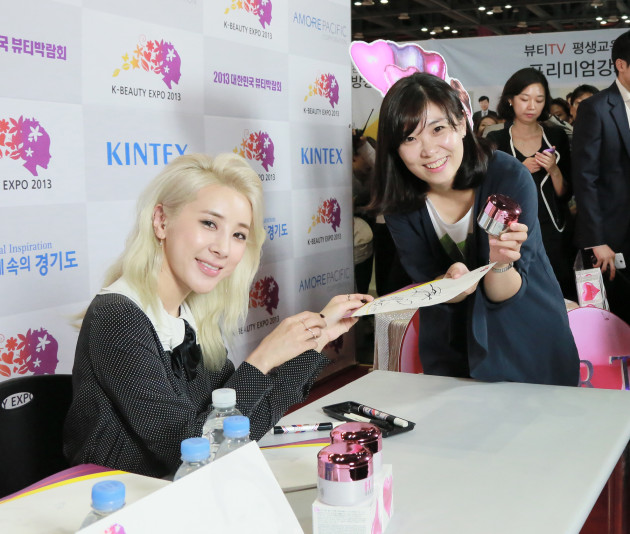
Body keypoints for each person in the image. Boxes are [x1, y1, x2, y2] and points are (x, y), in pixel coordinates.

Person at [63, 153, 372, 477]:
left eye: (238, 235)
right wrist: (262, 358)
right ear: (161, 221)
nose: (223, 248)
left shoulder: (191, 315)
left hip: (180, 490)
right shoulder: (117, 316)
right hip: (123, 499)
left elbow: (239, 429)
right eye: (209, 224)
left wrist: (318, 338)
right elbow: (187, 450)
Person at [370, 72, 579, 386]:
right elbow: (430, 284)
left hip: (526, 338)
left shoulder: (508, 176)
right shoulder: (399, 202)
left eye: (438, 129)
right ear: (394, 148)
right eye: (409, 138)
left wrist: (500, 262)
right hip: (452, 349)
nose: (428, 150)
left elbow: (508, 291)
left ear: (460, 124)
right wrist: (450, 283)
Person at [487, 68, 575, 299]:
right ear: (510, 99)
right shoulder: (496, 140)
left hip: (554, 231)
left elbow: (565, 194)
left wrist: (554, 169)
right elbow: (490, 195)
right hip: (514, 232)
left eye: (539, 100)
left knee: (561, 292)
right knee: (519, 293)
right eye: (524, 99)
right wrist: (520, 171)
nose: (531, 106)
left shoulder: (556, 136)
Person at [572, 30, 630, 324]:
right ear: (621, 65)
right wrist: (596, 240)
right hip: (614, 236)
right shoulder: (595, 108)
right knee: (619, 316)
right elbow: (585, 178)